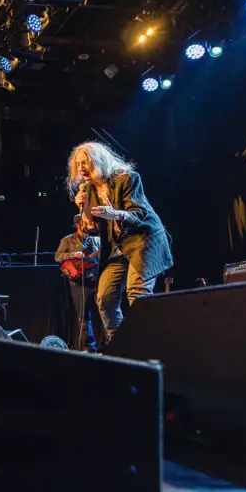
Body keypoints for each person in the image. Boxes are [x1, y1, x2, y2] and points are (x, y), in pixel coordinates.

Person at [69, 141, 173, 343]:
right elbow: (93, 229)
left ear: (99, 161)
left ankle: (149, 347)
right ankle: (122, 346)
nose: (81, 169)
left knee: (137, 294)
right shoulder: (89, 190)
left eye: (85, 163)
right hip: (119, 248)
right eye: (78, 165)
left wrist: (116, 214)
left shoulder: (128, 179)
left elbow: (139, 215)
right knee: (105, 298)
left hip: (143, 240)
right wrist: (83, 209)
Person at [55, 215, 101, 352]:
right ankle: (89, 348)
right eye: (82, 224)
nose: (85, 226)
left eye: (87, 223)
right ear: (77, 225)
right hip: (78, 282)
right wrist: (73, 254)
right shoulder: (67, 240)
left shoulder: (97, 240)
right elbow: (57, 257)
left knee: (106, 310)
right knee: (83, 317)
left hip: (96, 279)